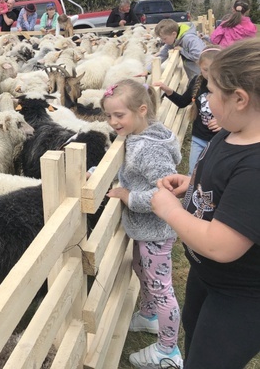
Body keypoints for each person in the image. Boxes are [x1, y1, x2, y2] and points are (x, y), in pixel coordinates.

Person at [153, 39, 260, 369]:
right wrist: (191, 188)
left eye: (211, 91)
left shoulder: (256, 167)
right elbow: (220, 186)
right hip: (207, 277)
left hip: (241, 295)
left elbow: (221, 245)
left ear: (239, 99)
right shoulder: (229, 132)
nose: (206, 99)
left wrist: (169, 210)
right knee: (195, 337)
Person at [100, 79, 183, 368]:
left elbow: (167, 191)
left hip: (157, 231)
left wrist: (129, 197)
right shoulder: (139, 137)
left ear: (142, 110)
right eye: (108, 116)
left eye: (119, 115)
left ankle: (168, 350)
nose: (113, 122)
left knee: (162, 288)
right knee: (140, 267)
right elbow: (133, 173)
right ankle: (148, 316)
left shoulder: (149, 149)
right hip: (145, 230)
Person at [154, 46, 222, 175]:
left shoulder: (229, 86)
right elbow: (182, 102)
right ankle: (191, 195)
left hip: (221, 140)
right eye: (205, 70)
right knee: (193, 173)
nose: (210, 74)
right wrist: (167, 90)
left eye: (215, 70)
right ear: (199, 66)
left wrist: (223, 123)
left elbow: (239, 113)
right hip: (199, 138)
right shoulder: (196, 82)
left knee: (216, 174)